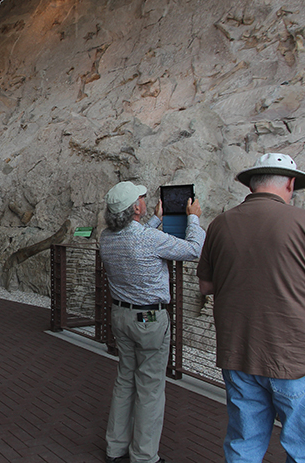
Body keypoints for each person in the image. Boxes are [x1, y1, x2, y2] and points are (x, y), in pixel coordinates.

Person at [197, 153, 305, 462]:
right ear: (291, 184)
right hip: (295, 358)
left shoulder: (220, 224)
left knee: (244, 443)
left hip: (238, 354)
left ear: (253, 185)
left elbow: (207, 286)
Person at [99, 181, 205, 463]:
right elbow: (194, 249)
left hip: (120, 315)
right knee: (150, 386)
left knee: (124, 380)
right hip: (148, 317)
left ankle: (115, 447)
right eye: (142, 198)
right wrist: (193, 217)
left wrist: (157, 218)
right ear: (136, 208)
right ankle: (144, 456)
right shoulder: (149, 239)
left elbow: (137, 234)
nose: (144, 200)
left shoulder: (105, 238)